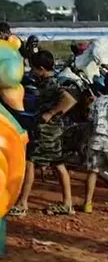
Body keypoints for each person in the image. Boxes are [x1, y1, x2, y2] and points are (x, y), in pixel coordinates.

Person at [9, 50, 78, 217]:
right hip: (53, 131)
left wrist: (51, 113)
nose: (32, 72)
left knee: (30, 162)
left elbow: (70, 100)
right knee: (57, 164)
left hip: (47, 132)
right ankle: (67, 204)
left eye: (33, 68)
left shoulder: (52, 83)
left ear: (41, 68)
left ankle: (22, 203)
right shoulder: (51, 81)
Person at [82, 90, 108, 213]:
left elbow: (90, 119)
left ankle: (87, 203)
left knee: (93, 171)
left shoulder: (98, 101)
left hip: (96, 139)